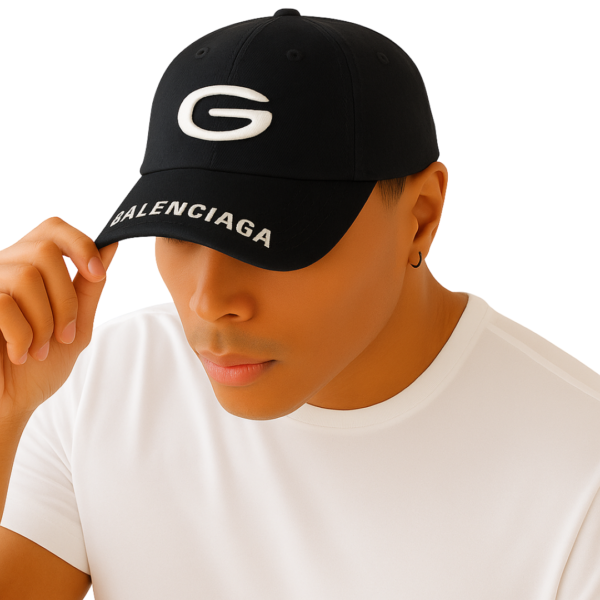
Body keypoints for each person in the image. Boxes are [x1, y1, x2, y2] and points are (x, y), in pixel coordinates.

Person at [0, 8, 599, 599]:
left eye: (270, 239)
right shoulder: (97, 382)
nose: (209, 301)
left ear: (420, 218)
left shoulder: (581, 476)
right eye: (182, 232)